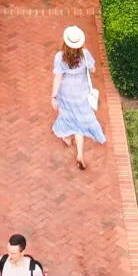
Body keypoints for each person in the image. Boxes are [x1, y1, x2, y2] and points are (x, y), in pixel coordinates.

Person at [50, 25, 106, 170]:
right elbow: (93, 69)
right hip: (81, 93)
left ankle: (67, 136)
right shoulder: (85, 55)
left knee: (68, 116)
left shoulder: (60, 57)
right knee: (79, 121)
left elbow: (57, 78)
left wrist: (54, 96)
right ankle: (79, 154)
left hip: (66, 93)